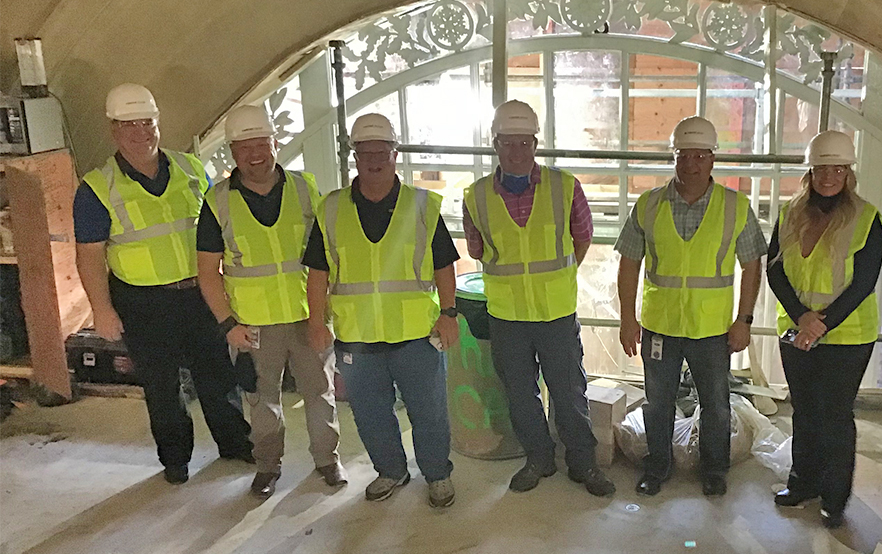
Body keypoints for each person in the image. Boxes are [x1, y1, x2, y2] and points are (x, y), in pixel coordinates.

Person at [74, 83, 252, 485]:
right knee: (162, 386)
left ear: (158, 123)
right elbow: (88, 257)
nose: (141, 133)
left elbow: (219, 225)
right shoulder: (97, 188)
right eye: (129, 125)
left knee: (217, 376)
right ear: (113, 130)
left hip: (199, 293)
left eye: (147, 122)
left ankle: (235, 443)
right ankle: (175, 459)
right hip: (142, 303)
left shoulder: (191, 168)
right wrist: (102, 309)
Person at [304, 113, 459, 508]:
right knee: (370, 413)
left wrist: (449, 313)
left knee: (429, 412)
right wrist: (316, 321)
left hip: (416, 334)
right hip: (358, 336)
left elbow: (444, 265)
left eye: (381, 152)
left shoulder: (422, 205)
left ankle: (437, 474)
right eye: (365, 152)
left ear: (395, 154)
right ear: (354, 156)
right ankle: (391, 470)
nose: (373, 160)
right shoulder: (332, 208)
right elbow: (318, 271)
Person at [463, 100, 615, 497]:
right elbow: (477, 249)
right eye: (507, 143)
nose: (516, 152)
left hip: (555, 313)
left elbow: (582, 239)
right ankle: (539, 459)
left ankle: (582, 462)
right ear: (495, 144)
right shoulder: (476, 196)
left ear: (535, 143)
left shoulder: (565, 187)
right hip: (507, 315)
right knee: (520, 395)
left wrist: (555, 279)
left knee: (569, 392)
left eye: (524, 142)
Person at [196, 105, 344, 499]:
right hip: (253, 325)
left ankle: (327, 460)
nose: (254, 154)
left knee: (320, 393)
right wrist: (229, 325)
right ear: (232, 152)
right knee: (262, 402)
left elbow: (326, 254)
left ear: (275, 144)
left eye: (261, 144)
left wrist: (323, 316)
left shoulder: (305, 188)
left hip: (307, 316)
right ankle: (267, 467)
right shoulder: (217, 202)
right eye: (244, 147)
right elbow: (207, 272)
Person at [615, 116, 766, 497]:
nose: (691, 164)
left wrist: (744, 320)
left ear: (713, 159)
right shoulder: (648, 205)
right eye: (683, 155)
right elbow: (629, 263)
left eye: (700, 156)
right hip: (660, 325)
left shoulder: (735, 206)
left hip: (712, 328)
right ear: (674, 158)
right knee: (658, 403)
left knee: (715, 404)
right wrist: (628, 318)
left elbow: (752, 265)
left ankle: (714, 470)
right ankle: (657, 467)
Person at [767, 130, 882, 529]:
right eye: (822, 169)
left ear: (848, 172)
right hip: (797, 330)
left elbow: (864, 281)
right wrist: (801, 316)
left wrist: (820, 324)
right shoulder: (789, 213)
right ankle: (802, 482)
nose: (829, 177)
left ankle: (835, 497)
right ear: (810, 172)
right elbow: (775, 270)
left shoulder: (867, 218)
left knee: (834, 415)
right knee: (804, 411)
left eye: (838, 169)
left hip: (848, 336)